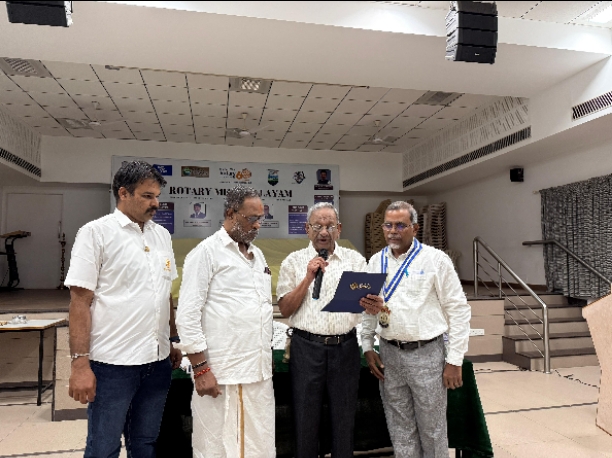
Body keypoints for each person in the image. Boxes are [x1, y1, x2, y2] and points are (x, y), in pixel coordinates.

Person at [65, 160, 182, 458]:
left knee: (145, 444)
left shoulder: (161, 235)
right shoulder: (95, 233)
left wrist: (172, 339)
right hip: (113, 365)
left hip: (156, 363)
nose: (155, 203)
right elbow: (79, 302)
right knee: (103, 448)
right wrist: (80, 365)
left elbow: (165, 294)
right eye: (147, 196)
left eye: (157, 196)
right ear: (123, 193)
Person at [359, 201, 471, 458]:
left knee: (432, 429)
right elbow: (369, 306)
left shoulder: (435, 260)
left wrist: (455, 360)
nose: (393, 231)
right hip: (389, 353)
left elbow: (458, 310)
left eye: (400, 225)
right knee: (400, 427)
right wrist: (367, 344)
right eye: (388, 225)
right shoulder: (376, 261)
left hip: (426, 354)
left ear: (415, 228)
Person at [175, 185, 275, 458]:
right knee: (218, 447)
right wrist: (201, 369)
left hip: (258, 374)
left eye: (260, 218)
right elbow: (187, 315)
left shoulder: (258, 256)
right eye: (251, 218)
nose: (257, 225)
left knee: (259, 446)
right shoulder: (206, 253)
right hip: (223, 374)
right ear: (231, 213)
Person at [277, 202, 366, 458]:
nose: (324, 232)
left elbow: (367, 304)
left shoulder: (355, 260)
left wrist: (373, 303)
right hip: (306, 348)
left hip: (345, 348)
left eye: (329, 226)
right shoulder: (293, 261)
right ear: (307, 229)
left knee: (344, 418)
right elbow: (286, 309)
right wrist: (308, 277)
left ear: (339, 229)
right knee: (305, 418)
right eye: (317, 226)